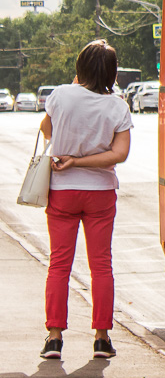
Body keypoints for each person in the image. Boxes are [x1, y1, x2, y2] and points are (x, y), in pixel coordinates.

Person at [38, 40, 133, 360]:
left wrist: (71, 159)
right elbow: (119, 154)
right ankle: (102, 338)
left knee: (59, 264)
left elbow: (46, 131)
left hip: (62, 192)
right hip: (100, 194)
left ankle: (54, 337)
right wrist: (83, 160)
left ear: (80, 68)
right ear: (112, 72)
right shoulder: (118, 106)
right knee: (101, 265)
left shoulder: (61, 95)